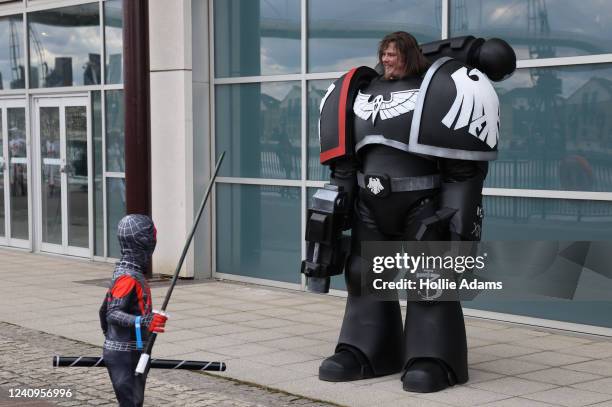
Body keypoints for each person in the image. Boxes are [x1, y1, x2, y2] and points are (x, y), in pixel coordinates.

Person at [303, 31, 515, 392]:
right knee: (362, 274)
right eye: (383, 53)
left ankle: (434, 356)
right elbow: (344, 167)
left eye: (394, 53)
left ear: (409, 55)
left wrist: (456, 220)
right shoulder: (358, 90)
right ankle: (366, 348)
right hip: (370, 201)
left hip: (424, 201)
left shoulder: (447, 86)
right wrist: (335, 209)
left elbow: (463, 169)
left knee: (429, 279)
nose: (387, 59)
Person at [99, 214, 168, 406]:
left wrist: (110, 339)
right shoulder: (128, 277)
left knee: (133, 402)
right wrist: (144, 322)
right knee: (131, 403)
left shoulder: (125, 272)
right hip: (126, 352)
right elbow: (111, 313)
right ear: (143, 243)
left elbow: (102, 311)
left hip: (128, 348)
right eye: (153, 237)